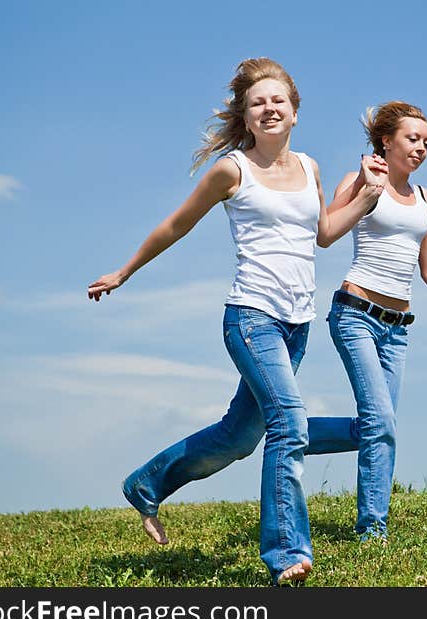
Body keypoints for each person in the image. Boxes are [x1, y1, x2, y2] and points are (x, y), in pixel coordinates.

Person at [87, 57, 331, 586]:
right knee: (289, 424)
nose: (268, 109)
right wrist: (124, 271)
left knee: (239, 437)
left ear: (295, 112)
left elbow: (324, 231)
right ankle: (287, 553)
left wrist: (369, 196)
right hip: (251, 318)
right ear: (246, 118)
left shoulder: (311, 168)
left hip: (298, 322)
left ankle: (145, 485)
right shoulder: (232, 170)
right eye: (257, 103)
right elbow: (176, 223)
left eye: (277, 101)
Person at [305, 101, 427, 541]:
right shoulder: (357, 180)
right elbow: (326, 230)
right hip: (355, 316)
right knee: (381, 424)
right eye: (412, 139)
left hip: (397, 330)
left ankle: (290, 435)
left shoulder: (425, 199)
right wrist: (364, 190)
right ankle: (373, 531)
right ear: (385, 141)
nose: (421, 148)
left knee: (375, 426)